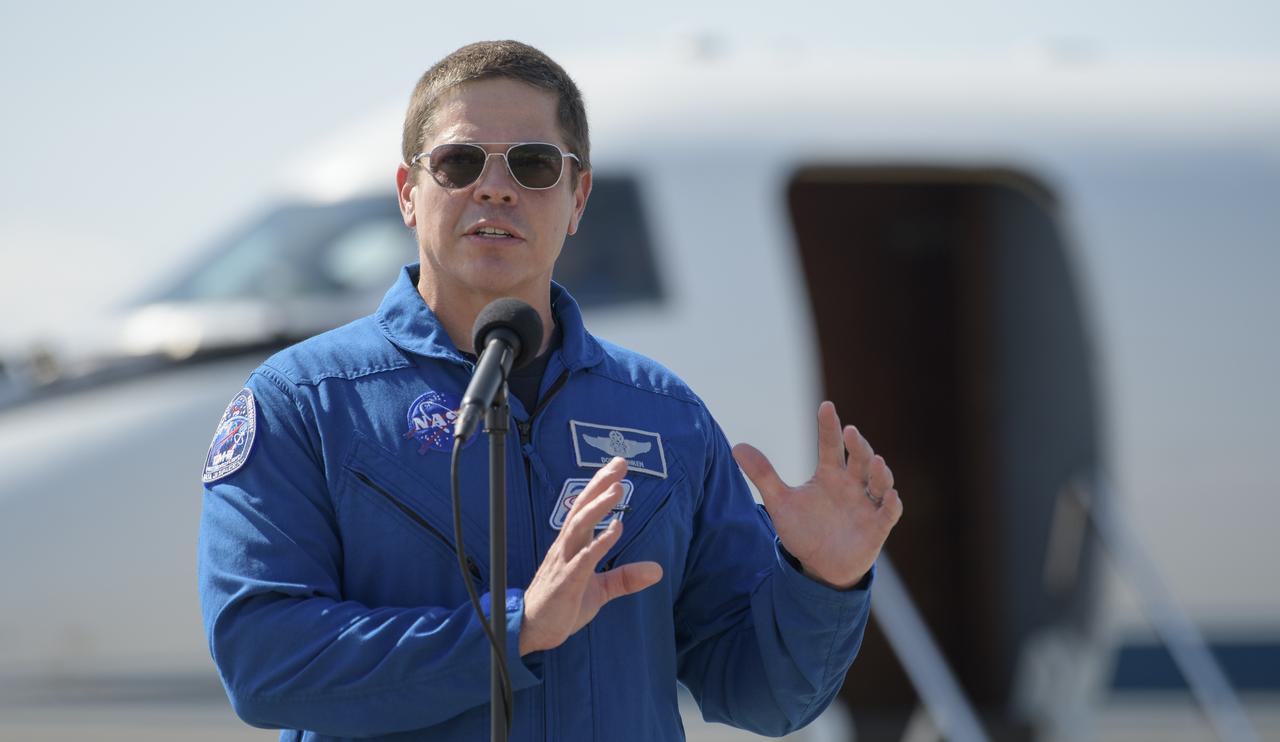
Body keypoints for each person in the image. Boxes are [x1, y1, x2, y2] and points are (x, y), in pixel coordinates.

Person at [198, 40, 902, 741]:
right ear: (410, 193)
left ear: (577, 198)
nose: (496, 188)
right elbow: (266, 663)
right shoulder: (306, 403)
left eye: (533, 165)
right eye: (459, 162)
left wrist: (822, 584)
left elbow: (764, 699)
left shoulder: (665, 415)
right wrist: (515, 630)